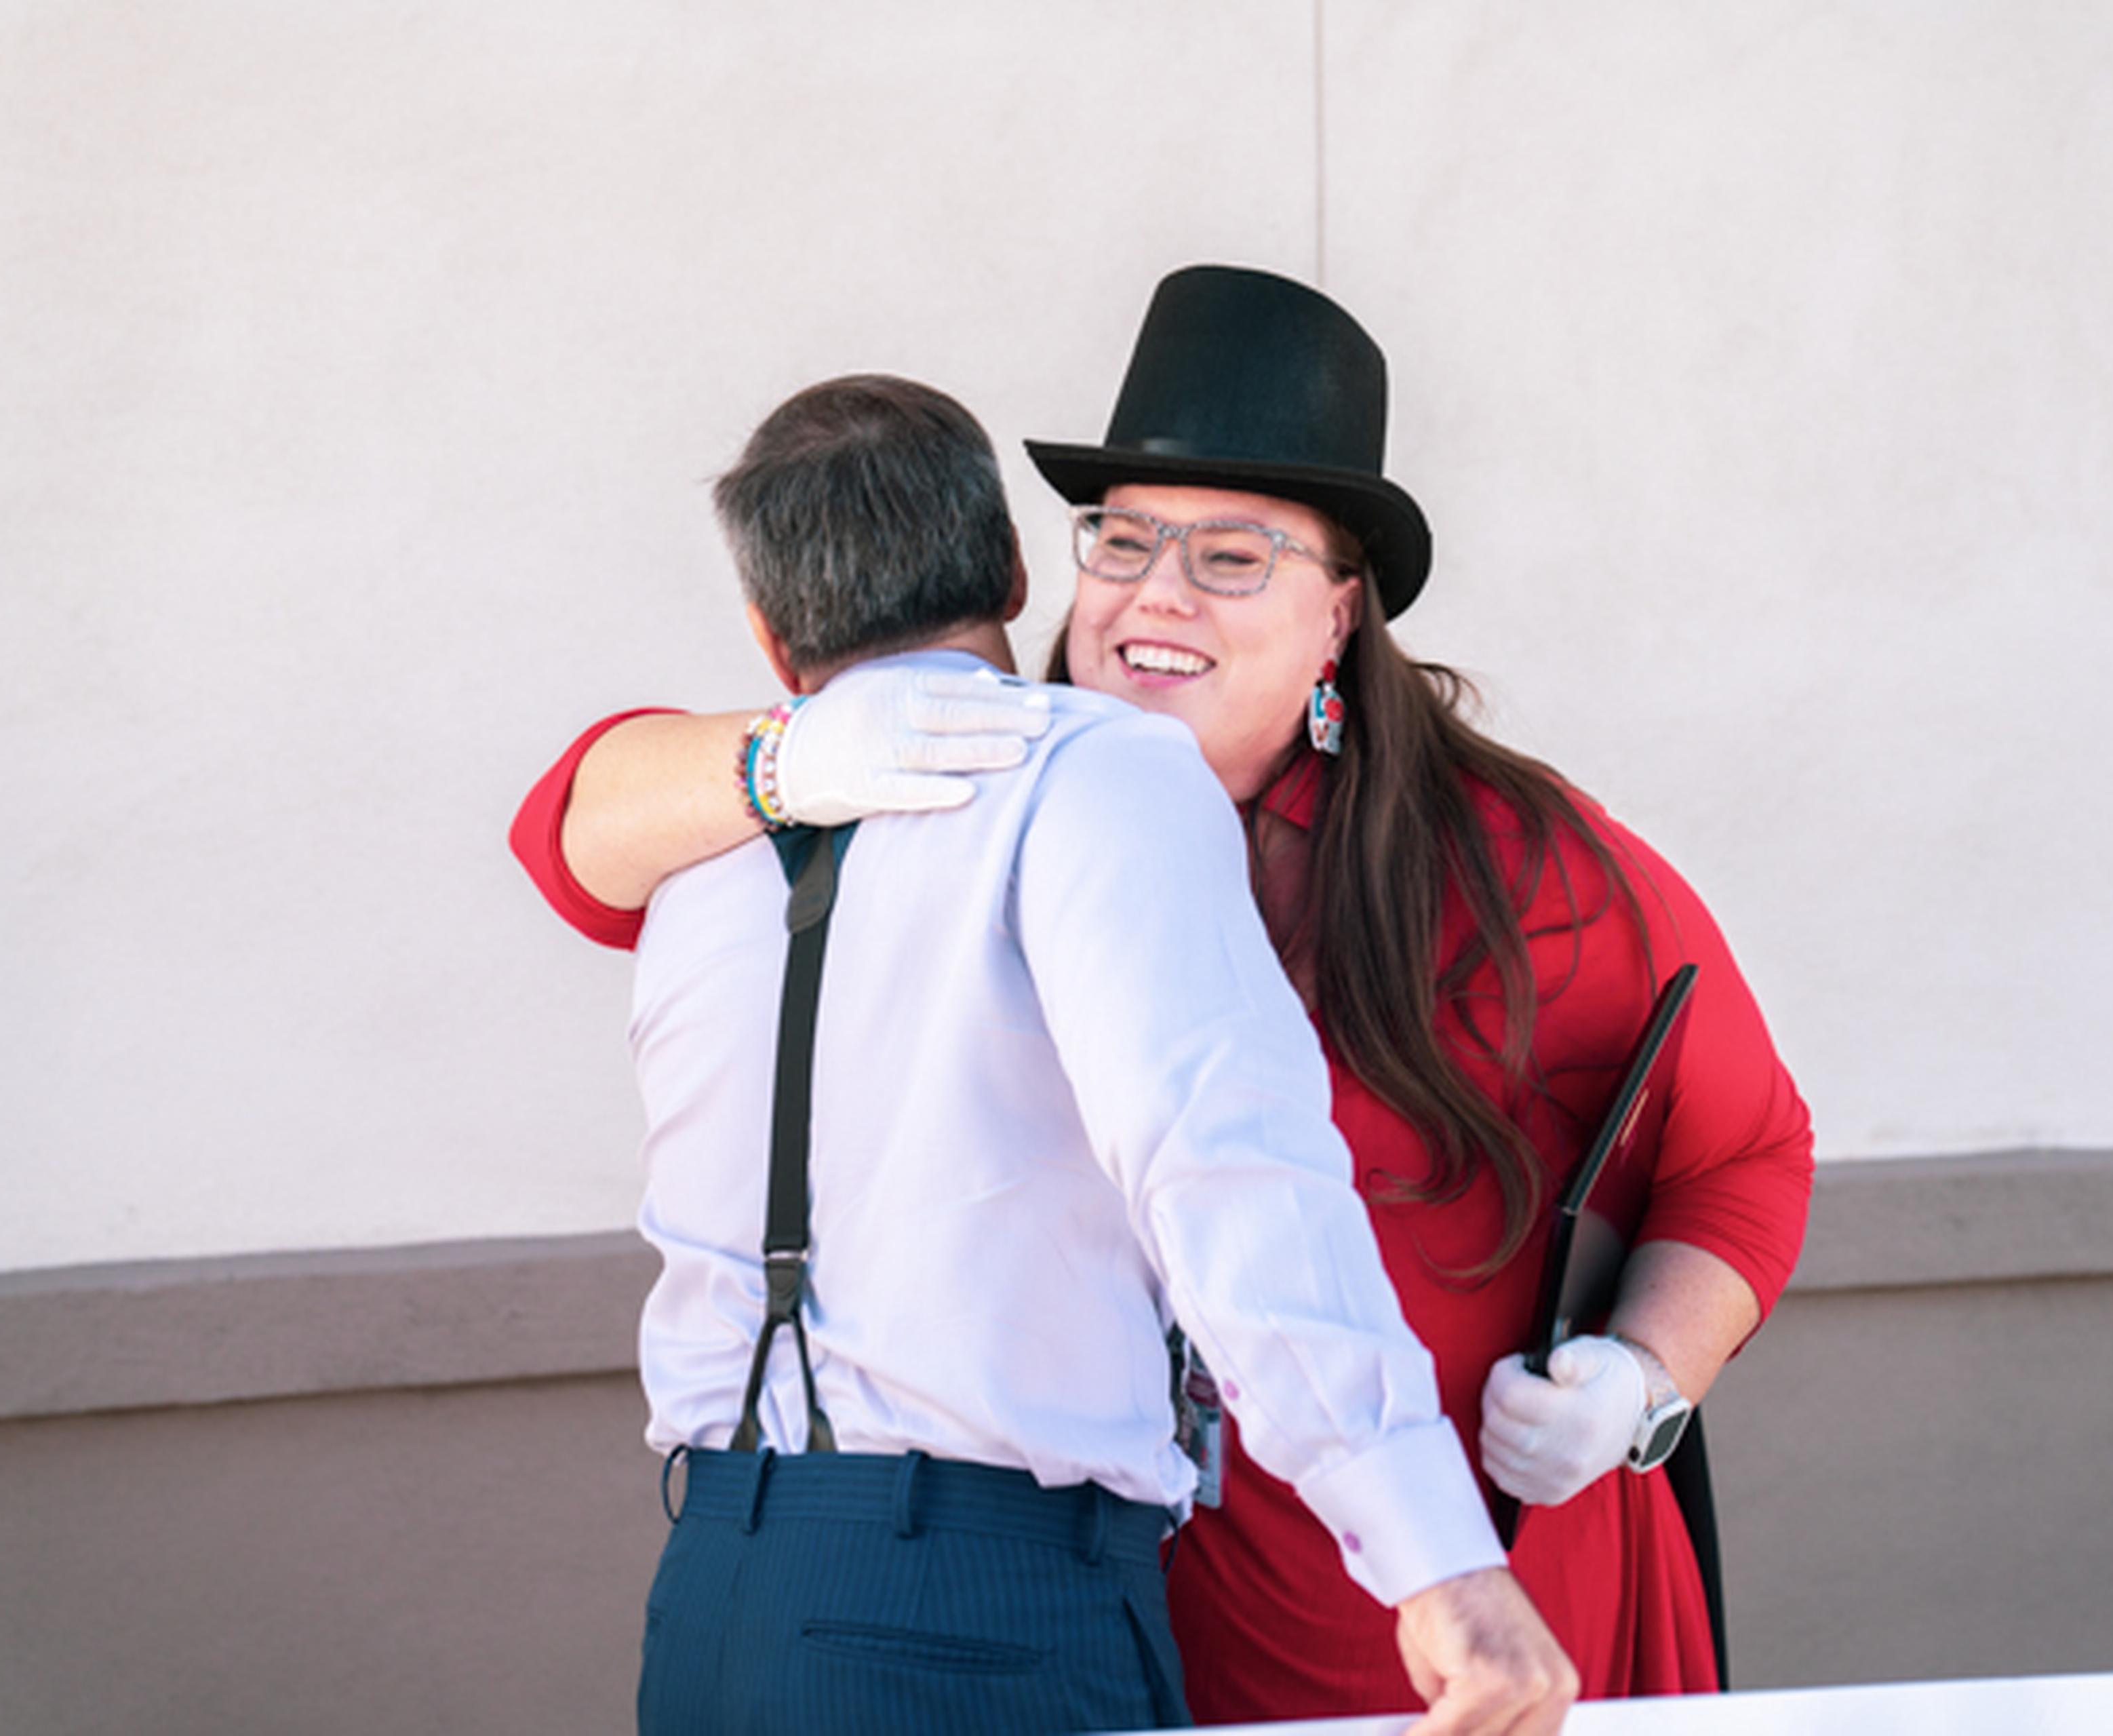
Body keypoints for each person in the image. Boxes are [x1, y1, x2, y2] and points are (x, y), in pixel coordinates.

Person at [514, 270, 1813, 1720]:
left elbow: (1743, 1154)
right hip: (1103, 1603)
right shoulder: (934, 796)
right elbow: (570, 839)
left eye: (1234, 556)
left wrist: (1637, 1383)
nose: (1158, 592)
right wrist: (782, 758)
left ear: (1341, 614)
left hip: (1432, 1620)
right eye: (1125, 539)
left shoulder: (1530, 866)